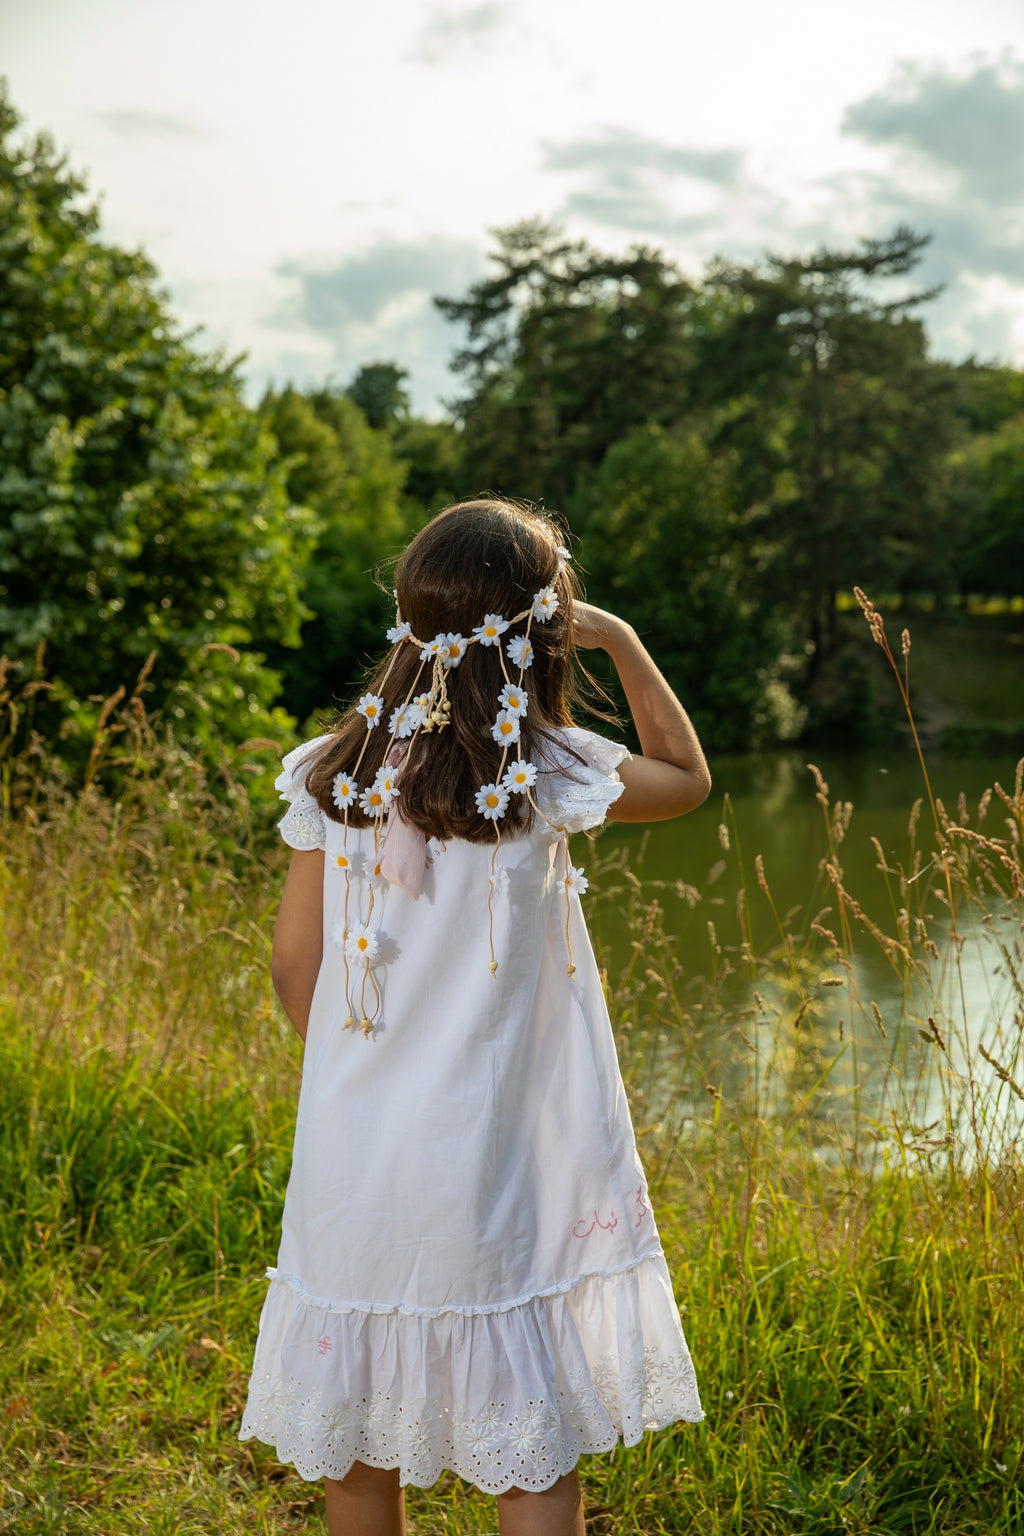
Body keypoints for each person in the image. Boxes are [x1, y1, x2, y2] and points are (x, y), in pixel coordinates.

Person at [239, 498, 711, 1536]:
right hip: (494, 1154)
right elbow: (686, 778)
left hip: (356, 1145)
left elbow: (292, 962)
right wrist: (623, 641)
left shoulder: (336, 772)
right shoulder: (542, 768)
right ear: (544, 631)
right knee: (526, 1420)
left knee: (355, 1416)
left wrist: (339, 1077)